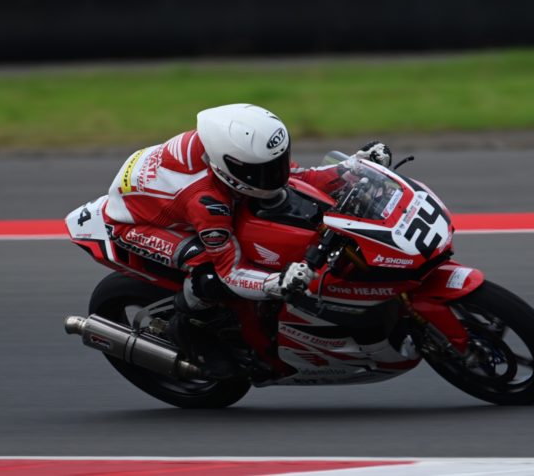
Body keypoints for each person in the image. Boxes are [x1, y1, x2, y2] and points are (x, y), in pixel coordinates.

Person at [102, 103, 391, 377]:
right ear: (229, 168)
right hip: (133, 224)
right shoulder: (206, 202)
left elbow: (298, 178)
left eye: (278, 162)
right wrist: (277, 282)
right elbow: (231, 272)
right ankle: (188, 328)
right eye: (265, 171)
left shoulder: (241, 152)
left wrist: (353, 168)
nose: (277, 174)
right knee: (209, 275)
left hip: (166, 192)